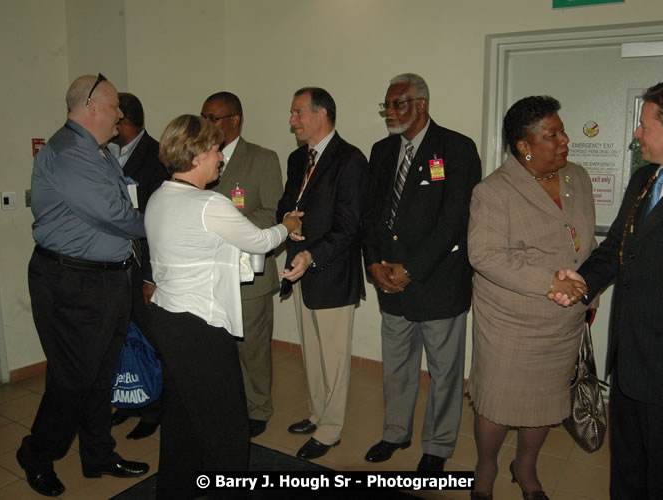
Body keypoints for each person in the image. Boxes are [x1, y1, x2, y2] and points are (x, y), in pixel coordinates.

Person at [553, 78, 663, 498]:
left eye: (644, 125)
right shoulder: (645, 179)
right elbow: (618, 245)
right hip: (632, 359)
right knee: (629, 473)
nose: (636, 134)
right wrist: (583, 281)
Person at [144, 114, 302, 499]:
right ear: (197, 154)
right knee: (227, 426)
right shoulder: (207, 204)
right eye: (216, 150)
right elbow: (261, 241)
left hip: (166, 319)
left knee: (181, 416)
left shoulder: (159, 196)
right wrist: (287, 222)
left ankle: (175, 487)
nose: (220, 157)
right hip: (199, 327)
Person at [18, 74, 149, 497]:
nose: (120, 115)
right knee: (72, 380)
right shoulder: (69, 152)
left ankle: (98, 455)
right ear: (91, 106)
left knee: (100, 376)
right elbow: (116, 213)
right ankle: (36, 453)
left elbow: (123, 199)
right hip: (71, 281)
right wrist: (168, 223)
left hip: (107, 279)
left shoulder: (101, 152)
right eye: (114, 107)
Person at [468, 96, 594, 499]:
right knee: (498, 404)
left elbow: (586, 243)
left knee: (544, 402)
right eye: (552, 135)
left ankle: (525, 467)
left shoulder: (578, 178)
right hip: (510, 322)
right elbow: (484, 255)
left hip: (562, 323)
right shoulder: (493, 192)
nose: (565, 140)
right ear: (524, 146)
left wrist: (585, 291)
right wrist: (549, 282)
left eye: (561, 130)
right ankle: (485, 466)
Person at [362, 73, 481, 472]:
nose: (391, 112)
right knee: (396, 367)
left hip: (437, 283)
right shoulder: (381, 151)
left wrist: (411, 270)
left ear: (422, 104)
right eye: (388, 106)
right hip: (389, 283)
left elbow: (454, 221)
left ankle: (438, 446)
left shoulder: (457, 148)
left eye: (399, 104)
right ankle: (395, 432)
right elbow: (371, 214)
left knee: (445, 373)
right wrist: (375, 263)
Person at [276, 87, 368, 460]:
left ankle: (330, 431)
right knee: (311, 353)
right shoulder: (299, 158)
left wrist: (312, 254)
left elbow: (349, 227)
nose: (292, 120)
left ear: (322, 114)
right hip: (300, 271)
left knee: (332, 357)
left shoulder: (350, 160)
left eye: (298, 112)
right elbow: (287, 203)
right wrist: (285, 221)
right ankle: (317, 414)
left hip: (330, 271)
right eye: (292, 113)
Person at [201, 91, 283, 438]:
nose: (205, 124)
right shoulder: (201, 157)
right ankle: (228, 405)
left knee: (252, 348)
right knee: (220, 349)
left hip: (249, 273)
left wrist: (228, 224)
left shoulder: (262, 158)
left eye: (212, 117)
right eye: (202, 116)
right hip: (209, 273)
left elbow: (271, 211)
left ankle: (259, 408)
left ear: (234, 120)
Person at [108, 92, 168, 440]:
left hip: (144, 265)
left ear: (124, 121)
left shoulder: (156, 157)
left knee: (149, 338)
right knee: (122, 337)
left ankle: (154, 408)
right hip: (115, 266)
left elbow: (159, 222)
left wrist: (151, 275)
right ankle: (130, 399)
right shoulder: (107, 155)